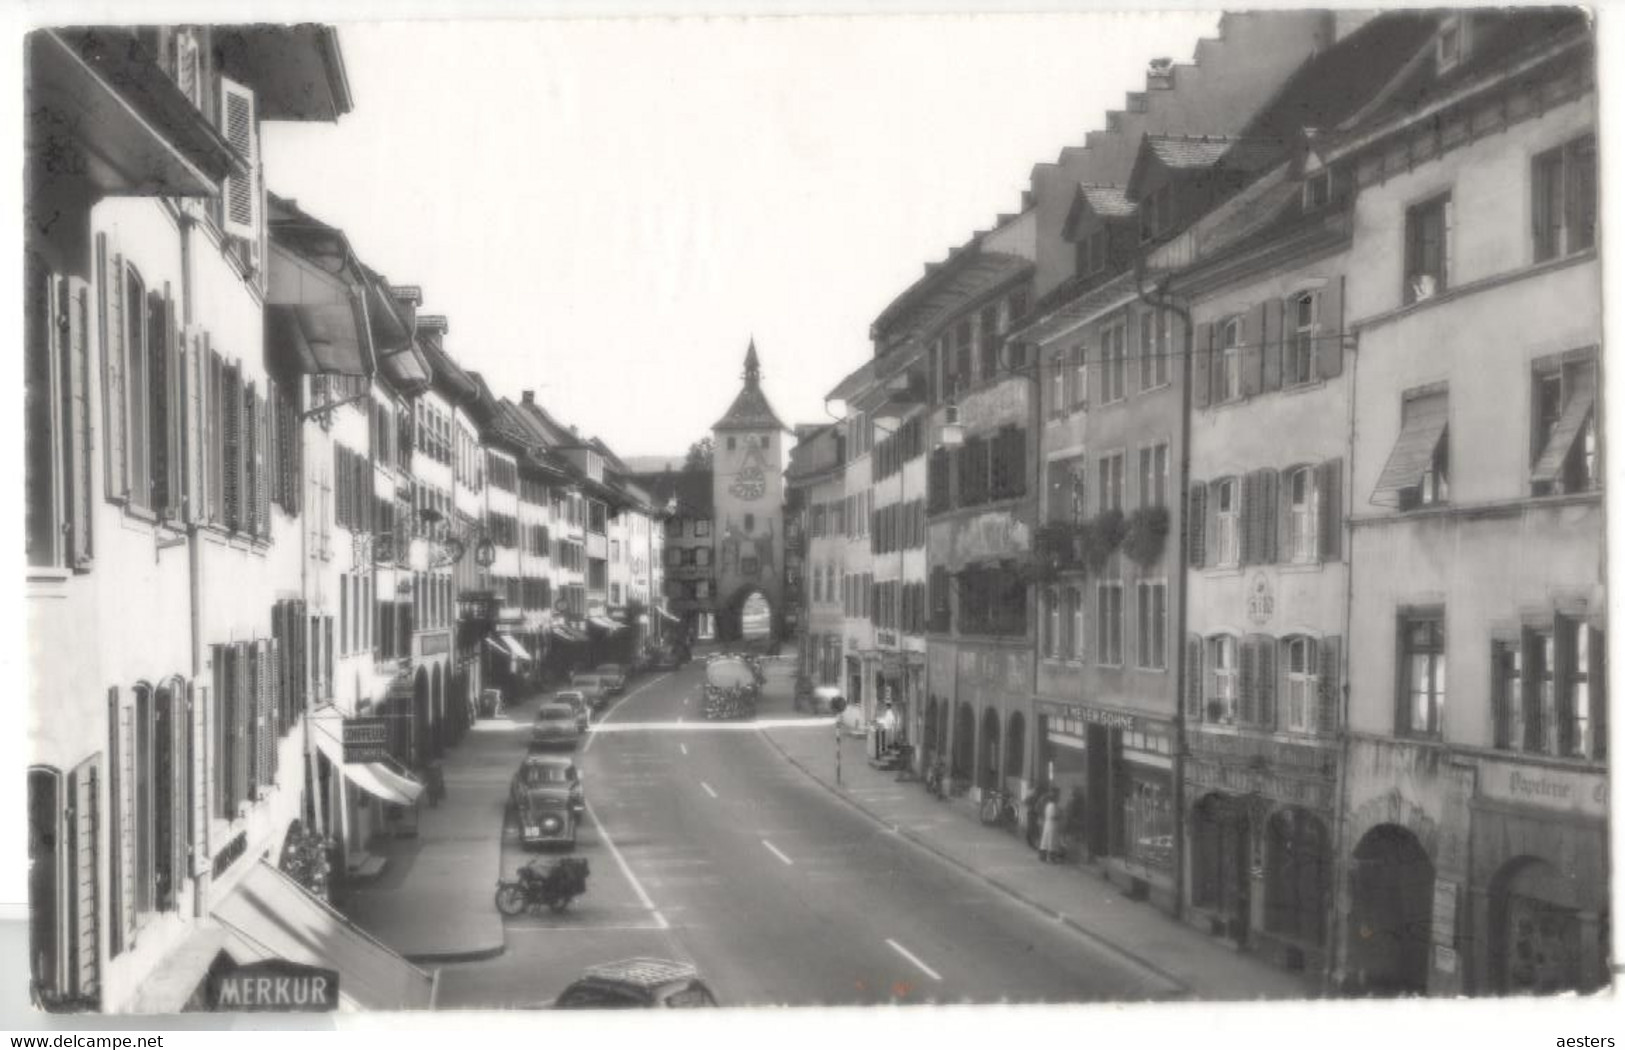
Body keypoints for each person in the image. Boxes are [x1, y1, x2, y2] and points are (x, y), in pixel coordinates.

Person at [1038, 788, 1061, 863]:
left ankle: (1043, 856)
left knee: (1045, 840)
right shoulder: (1053, 806)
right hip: (1052, 824)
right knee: (1052, 841)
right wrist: (1060, 816)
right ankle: (1051, 858)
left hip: (1047, 823)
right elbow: (1054, 816)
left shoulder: (1048, 805)